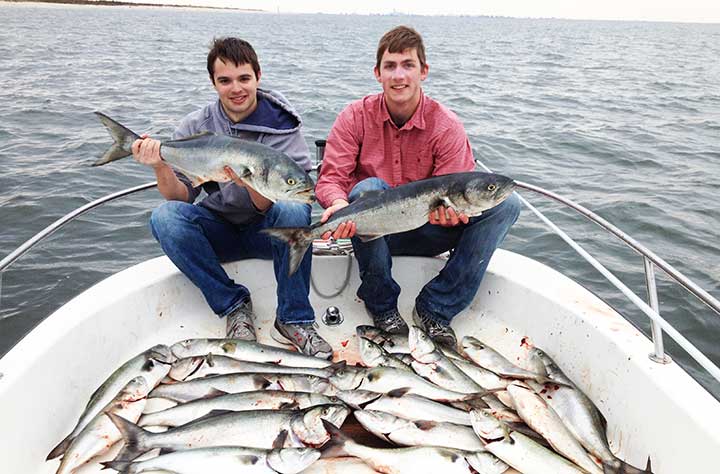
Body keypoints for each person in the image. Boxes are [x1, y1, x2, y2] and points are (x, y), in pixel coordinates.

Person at [315, 26, 521, 347]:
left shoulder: (447, 125)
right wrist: (338, 204)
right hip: (370, 234)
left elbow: (459, 191)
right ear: (377, 73)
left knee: (507, 205)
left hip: (428, 229)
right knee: (366, 186)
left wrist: (456, 215)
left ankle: (436, 309)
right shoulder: (354, 117)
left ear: (423, 71)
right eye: (390, 66)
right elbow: (330, 178)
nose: (399, 75)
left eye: (408, 65)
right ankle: (382, 306)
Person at [131, 37, 332, 359]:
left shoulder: (283, 127)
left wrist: (250, 183)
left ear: (258, 76)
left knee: (295, 208)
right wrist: (159, 165)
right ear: (213, 83)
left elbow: (297, 195)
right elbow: (179, 197)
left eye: (244, 78)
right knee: (165, 217)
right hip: (220, 229)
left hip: (269, 234)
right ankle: (234, 307)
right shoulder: (196, 126)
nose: (236, 88)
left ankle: (294, 319)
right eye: (225, 80)